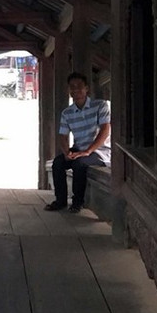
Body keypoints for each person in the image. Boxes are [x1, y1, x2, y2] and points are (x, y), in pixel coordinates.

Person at [46, 71, 111, 213]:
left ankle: (77, 202)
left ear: (86, 88)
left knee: (79, 164)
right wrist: (66, 152)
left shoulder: (100, 106)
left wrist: (88, 151)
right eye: (72, 87)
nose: (75, 89)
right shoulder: (67, 113)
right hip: (79, 149)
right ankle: (60, 201)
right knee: (58, 163)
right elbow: (63, 136)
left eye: (79, 86)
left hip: (99, 151)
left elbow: (105, 130)